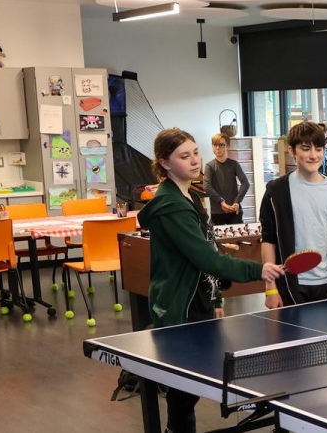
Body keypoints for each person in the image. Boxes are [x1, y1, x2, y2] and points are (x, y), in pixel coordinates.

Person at [137, 128, 264, 433]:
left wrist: (216, 296)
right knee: (183, 391)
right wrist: (258, 271)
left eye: (195, 152)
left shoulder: (192, 196)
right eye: (185, 156)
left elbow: (207, 245)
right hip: (178, 305)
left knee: (189, 389)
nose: (195, 160)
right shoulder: (172, 206)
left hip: (198, 300)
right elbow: (206, 258)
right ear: (165, 163)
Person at [259, 122, 327, 308]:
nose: (313, 155)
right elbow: (268, 240)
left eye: (318, 149)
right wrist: (270, 288)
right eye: (305, 148)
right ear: (292, 151)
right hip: (290, 286)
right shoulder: (276, 191)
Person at [204, 126, 250, 226]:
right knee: (219, 240)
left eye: (221, 145)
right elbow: (206, 186)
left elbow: (245, 183)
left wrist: (237, 202)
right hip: (217, 212)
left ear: (227, 146)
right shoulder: (209, 166)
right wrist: (221, 202)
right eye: (214, 145)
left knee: (237, 238)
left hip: (235, 210)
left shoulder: (234, 164)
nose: (217, 148)